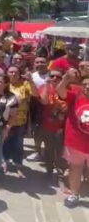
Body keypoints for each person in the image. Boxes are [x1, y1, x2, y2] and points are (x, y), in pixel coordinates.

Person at [56, 68, 89, 208]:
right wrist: (66, 78)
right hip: (75, 143)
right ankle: (74, 194)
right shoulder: (75, 94)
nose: (87, 87)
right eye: (86, 84)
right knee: (75, 168)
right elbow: (60, 91)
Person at [4, 65, 38, 177]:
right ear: (7, 73)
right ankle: (4, 162)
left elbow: (36, 94)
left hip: (20, 121)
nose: (13, 74)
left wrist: (31, 80)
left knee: (18, 144)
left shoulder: (25, 85)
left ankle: (18, 165)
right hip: (5, 121)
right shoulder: (4, 85)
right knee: (5, 142)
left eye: (16, 72)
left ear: (19, 74)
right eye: (11, 72)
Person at [38, 69, 67, 178]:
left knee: (60, 150)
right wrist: (46, 85)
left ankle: (60, 169)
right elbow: (44, 101)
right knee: (49, 149)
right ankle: (49, 169)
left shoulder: (66, 89)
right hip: (47, 126)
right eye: (52, 76)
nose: (55, 78)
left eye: (58, 77)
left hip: (62, 127)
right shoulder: (43, 88)